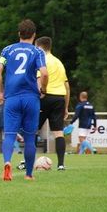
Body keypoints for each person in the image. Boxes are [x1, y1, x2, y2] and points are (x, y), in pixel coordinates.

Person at [0, 19, 48, 181]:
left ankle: (7, 162)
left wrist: (1, 91)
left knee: (9, 135)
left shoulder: (7, 50)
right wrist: (43, 88)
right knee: (30, 137)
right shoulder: (38, 52)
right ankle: (29, 174)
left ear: (19, 34)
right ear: (34, 35)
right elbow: (44, 73)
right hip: (31, 98)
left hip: (12, 98)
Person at [35, 36, 70, 170]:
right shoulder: (59, 62)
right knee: (58, 132)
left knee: (32, 130)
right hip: (59, 98)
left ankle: (27, 161)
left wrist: (40, 93)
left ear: (39, 47)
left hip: (45, 97)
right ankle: (61, 164)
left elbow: (40, 77)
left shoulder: (41, 60)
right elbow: (67, 86)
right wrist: (66, 106)